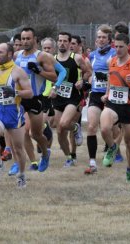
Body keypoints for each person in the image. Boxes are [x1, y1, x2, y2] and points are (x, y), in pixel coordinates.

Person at [100, 33, 130, 182]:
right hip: (112, 103)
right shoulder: (112, 61)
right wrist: (107, 93)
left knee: (129, 142)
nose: (118, 49)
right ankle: (113, 148)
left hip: (129, 106)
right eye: (116, 46)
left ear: (128, 46)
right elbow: (110, 79)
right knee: (104, 128)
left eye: (122, 46)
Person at [0, 42, 33, 188]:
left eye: (1, 52)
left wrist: (15, 92)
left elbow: (30, 93)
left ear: (10, 54)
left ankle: (22, 175)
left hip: (14, 112)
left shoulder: (18, 72)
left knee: (18, 148)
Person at [14, 27, 58, 172]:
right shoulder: (17, 55)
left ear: (34, 39)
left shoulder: (41, 56)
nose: (25, 41)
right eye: (23, 39)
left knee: (36, 134)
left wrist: (39, 71)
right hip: (20, 97)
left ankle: (45, 153)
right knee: (20, 130)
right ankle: (22, 161)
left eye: (28, 38)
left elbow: (54, 77)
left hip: (35, 98)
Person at [50, 31, 91, 167]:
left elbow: (88, 72)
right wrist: (52, 88)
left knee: (63, 123)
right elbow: (50, 77)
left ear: (69, 43)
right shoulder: (52, 58)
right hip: (58, 97)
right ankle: (69, 157)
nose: (62, 43)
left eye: (65, 41)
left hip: (73, 97)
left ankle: (75, 127)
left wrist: (81, 81)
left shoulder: (77, 58)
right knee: (59, 130)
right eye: (60, 40)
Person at [83, 25, 116, 174]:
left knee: (108, 129)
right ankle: (92, 162)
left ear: (109, 39)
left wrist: (109, 80)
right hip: (96, 94)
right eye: (99, 37)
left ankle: (112, 148)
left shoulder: (115, 54)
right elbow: (89, 73)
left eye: (103, 37)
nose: (101, 40)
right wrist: (87, 80)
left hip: (111, 95)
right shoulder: (92, 55)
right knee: (91, 126)